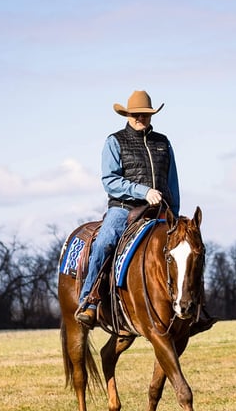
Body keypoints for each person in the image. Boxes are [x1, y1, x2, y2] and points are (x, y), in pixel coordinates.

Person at [75, 90, 179, 328]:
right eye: (136, 114)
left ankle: (193, 306)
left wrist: (174, 214)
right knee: (104, 242)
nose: (141, 118)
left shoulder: (163, 143)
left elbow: (172, 182)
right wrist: (143, 192)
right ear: (128, 115)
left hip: (160, 211)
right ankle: (89, 300)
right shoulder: (115, 141)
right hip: (124, 208)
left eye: (145, 114)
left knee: (187, 247)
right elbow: (109, 180)